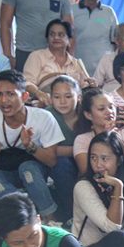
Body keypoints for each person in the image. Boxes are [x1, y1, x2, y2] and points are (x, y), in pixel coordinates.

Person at [0, 70, 62, 221]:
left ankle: (51, 220)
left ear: (24, 96)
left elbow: (52, 160)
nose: (4, 100)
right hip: (4, 169)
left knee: (28, 169)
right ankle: (24, 216)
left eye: (10, 94)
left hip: (33, 168)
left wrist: (30, 146)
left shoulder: (43, 117)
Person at [0, 0, 74, 71]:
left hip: (54, 53)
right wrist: (8, 55)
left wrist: (69, 57)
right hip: (25, 53)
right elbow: (5, 24)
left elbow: (69, 29)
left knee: (56, 84)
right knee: (25, 84)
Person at [73, 87, 124, 174]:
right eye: (101, 109)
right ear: (88, 115)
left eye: (111, 107)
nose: (109, 112)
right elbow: (89, 173)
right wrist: (107, 137)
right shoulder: (82, 140)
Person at [22, 19, 95, 106]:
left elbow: (84, 89)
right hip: (44, 104)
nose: (56, 37)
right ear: (47, 38)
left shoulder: (76, 63)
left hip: (72, 107)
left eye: (61, 35)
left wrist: (92, 84)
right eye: (52, 34)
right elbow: (27, 83)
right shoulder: (36, 56)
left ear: (69, 40)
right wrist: (39, 93)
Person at [47, 75, 80, 222]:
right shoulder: (48, 115)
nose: (62, 101)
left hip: (88, 159)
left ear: (78, 97)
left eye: (68, 96)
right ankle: (72, 214)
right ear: (50, 98)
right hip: (61, 163)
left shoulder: (86, 113)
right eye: (57, 97)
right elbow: (52, 151)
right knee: (60, 163)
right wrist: (80, 149)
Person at [73, 0, 118, 75]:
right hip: (79, 71)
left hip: (106, 71)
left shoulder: (108, 12)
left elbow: (116, 41)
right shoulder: (72, 10)